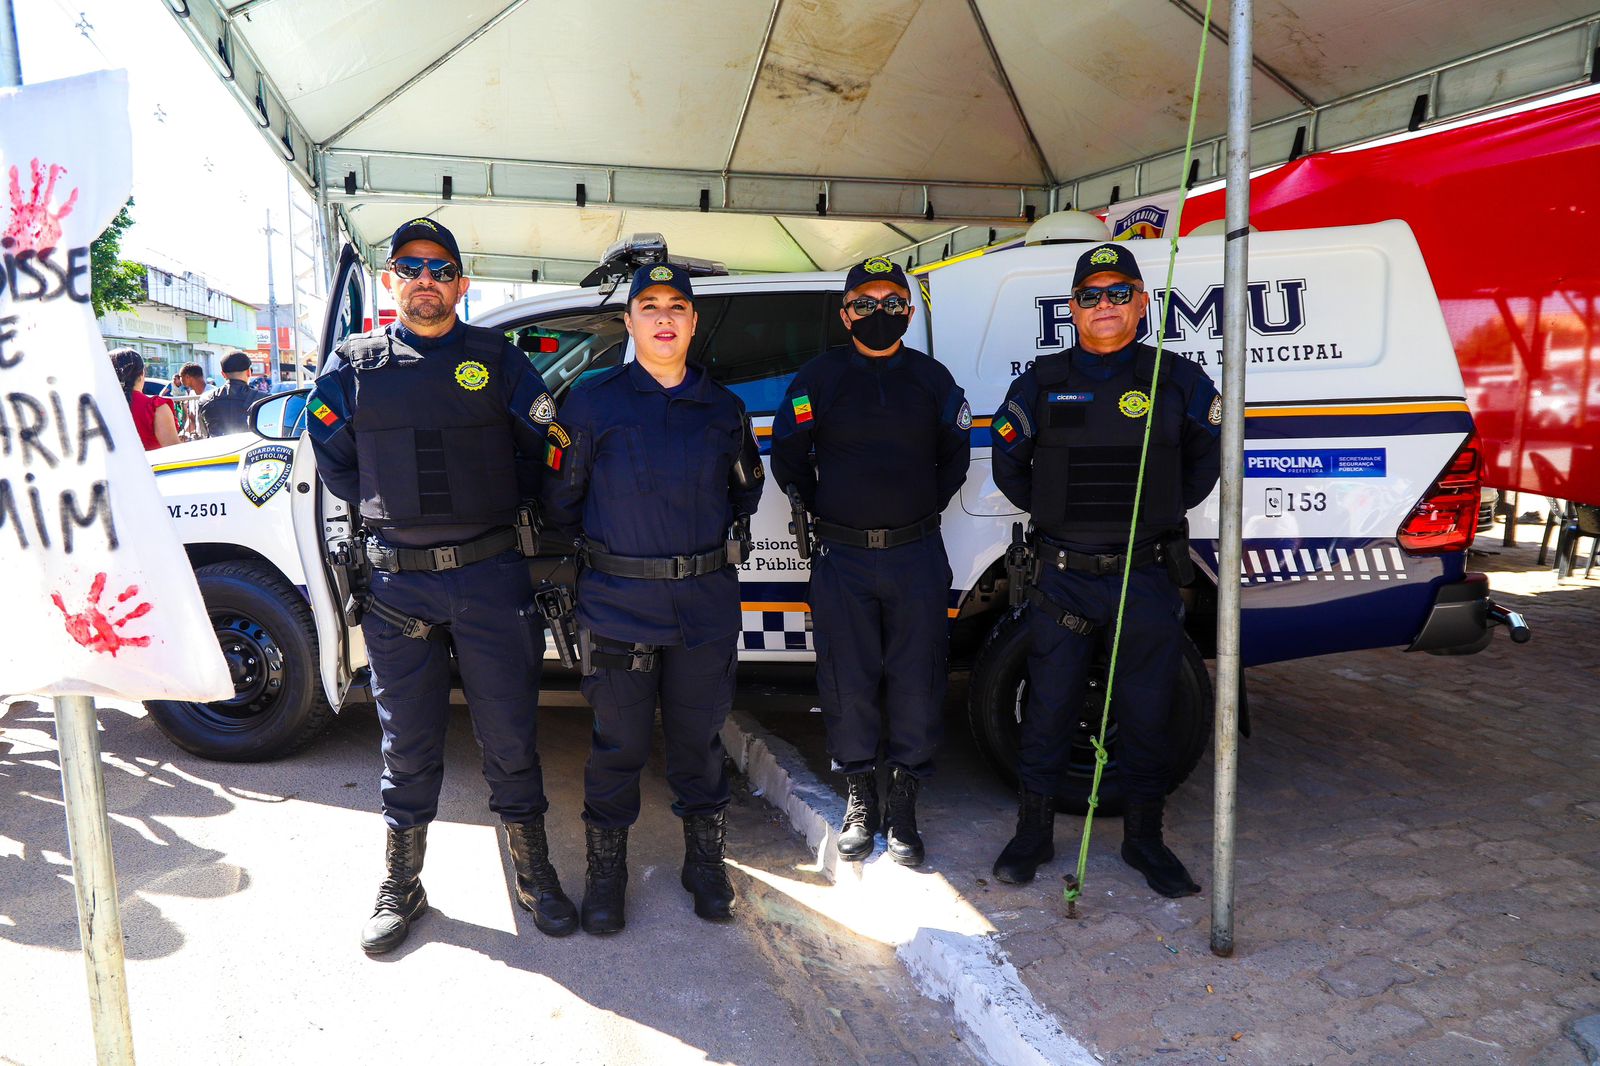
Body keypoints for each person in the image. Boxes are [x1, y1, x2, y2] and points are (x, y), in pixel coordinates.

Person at [306, 218, 572, 954]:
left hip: (492, 579)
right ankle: (403, 885)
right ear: (393, 280)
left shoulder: (498, 360)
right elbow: (334, 457)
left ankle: (535, 873)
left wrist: (506, 510)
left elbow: (545, 448)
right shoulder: (354, 366)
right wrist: (390, 512)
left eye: (440, 267)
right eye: (410, 266)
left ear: (461, 282)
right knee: (408, 744)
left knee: (512, 735)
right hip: (399, 590)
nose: (426, 278)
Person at [988, 242, 1221, 898]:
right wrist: (1059, 516)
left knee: (1148, 711)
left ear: (1143, 303)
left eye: (1120, 293)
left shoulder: (1177, 380)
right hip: (1061, 575)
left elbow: (1206, 458)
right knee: (1049, 708)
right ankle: (1033, 833)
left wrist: (1159, 512)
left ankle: (1145, 840)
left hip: (1144, 574)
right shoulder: (1040, 380)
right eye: (1091, 295)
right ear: (1073, 310)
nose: (1105, 306)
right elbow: (1010, 464)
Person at [541, 262, 763, 934]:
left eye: (676, 307)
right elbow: (561, 500)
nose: (663, 318)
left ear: (693, 322)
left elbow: (745, 491)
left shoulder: (722, 408)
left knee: (699, 742)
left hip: (703, 606)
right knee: (619, 746)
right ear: (630, 321)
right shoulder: (591, 402)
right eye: (649, 306)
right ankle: (606, 874)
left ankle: (705, 863)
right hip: (618, 606)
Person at [770, 256, 970, 866]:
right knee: (847, 681)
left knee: (917, 679)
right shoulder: (817, 378)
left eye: (890, 302)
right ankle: (862, 799)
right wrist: (830, 509)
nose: (877, 312)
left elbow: (954, 458)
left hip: (915, 553)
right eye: (864, 302)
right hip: (843, 559)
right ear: (845, 312)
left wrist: (909, 513)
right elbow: (789, 455)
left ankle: (903, 807)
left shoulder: (933, 380)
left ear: (908, 312)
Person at [109, 347, 179, 450]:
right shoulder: (155, 407)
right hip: (152, 465)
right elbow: (175, 453)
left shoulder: (97, 405)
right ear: (142, 374)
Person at [197, 351, 259, 436]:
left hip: (218, 448)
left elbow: (204, 433)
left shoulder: (205, 399)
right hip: (253, 448)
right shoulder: (263, 399)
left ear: (223, 374)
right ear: (249, 372)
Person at [177, 362, 209, 440]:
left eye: (180, 377)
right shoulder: (191, 394)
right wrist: (185, 432)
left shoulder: (213, 392)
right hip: (199, 439)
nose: (180, 380)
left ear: (187, 377)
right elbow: (192, 418)